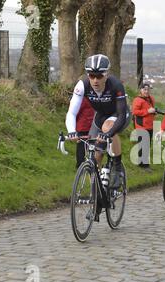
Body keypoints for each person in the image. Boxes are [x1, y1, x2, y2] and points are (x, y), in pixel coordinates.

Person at [66, 54, 130, 195]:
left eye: (99, 76)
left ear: (106, 74)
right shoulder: (82, 85)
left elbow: (120, 115)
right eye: (91, 75)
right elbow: (71, 113)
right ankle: (96, 197)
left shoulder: (116, 85)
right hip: (100, 117)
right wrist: (72, 130)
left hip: (119, 115)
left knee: (108, 128)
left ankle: (117, 167)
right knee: (95, 157)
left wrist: (107, 134)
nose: (95, 80)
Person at [132, 82, 157, 169]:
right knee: (142, 145)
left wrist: (154, 112)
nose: (146, 91)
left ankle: (145, 164)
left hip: (150, 126)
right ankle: (142, 165)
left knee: (147, 145)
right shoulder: (137, 100)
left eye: (148, 89)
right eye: (145, 89)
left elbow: (151, 109)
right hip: (141, 126)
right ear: (141, 90)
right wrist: (147, 111)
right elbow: (135, 112)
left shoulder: (151, 99)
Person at [75, 97, 95, 169]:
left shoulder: (83, 98)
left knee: (83, 146)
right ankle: (82, 164)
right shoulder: (87, 98)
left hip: (85, 125)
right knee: (84, 146)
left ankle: (81, 164)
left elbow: (76, 112)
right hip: (88, 125)